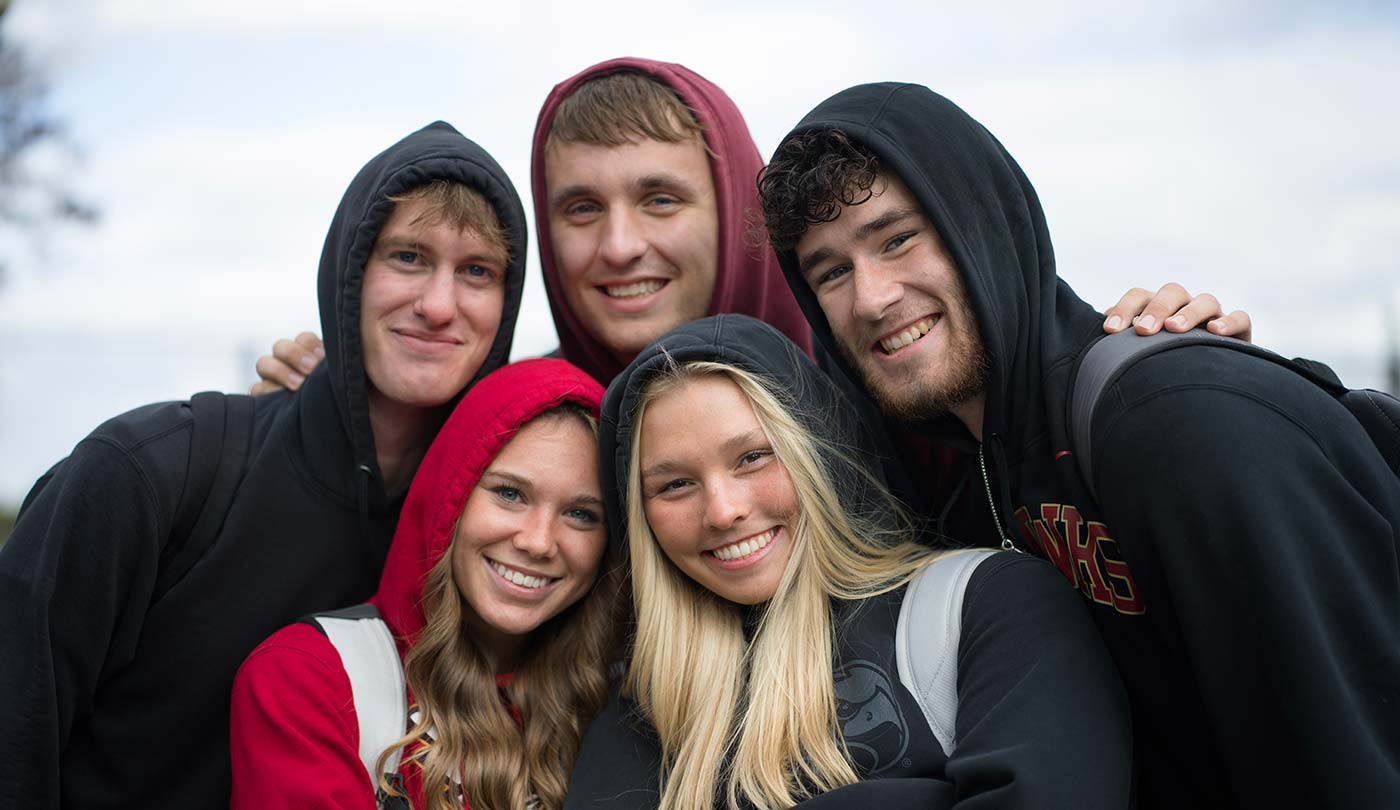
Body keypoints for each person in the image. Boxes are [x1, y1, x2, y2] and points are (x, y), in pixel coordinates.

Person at [756, 83, 1400, 808]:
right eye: (832, 272)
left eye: (897, 238)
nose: (871, 298)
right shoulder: (968, 484)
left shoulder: (1173, 424)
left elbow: (1353, 755)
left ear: (981, 223)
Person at [0, 121, 529, 809]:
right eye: (406, 257)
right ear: (349, 271)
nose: (437, 304)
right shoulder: (151, 472)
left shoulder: (496, 532)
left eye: (477, 272)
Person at [252, 59, 1250, 395]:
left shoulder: (885, 389)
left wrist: (1153, 357)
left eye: (659, 199)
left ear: (736, 220)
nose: (617, 247)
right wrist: (339, 406)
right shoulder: (513, 436)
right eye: (578, 209)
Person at [567, 314, 1132, 809]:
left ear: (816, 450)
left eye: (753, 457)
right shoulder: (642, 716)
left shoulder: (987, 605)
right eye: (674, 485)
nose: (723, 511)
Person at [231, 358, 621, 810]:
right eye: (510, 493)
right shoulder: (310, 678)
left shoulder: (623, 698)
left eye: (581, 514)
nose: (538, 542)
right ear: (450, 492)